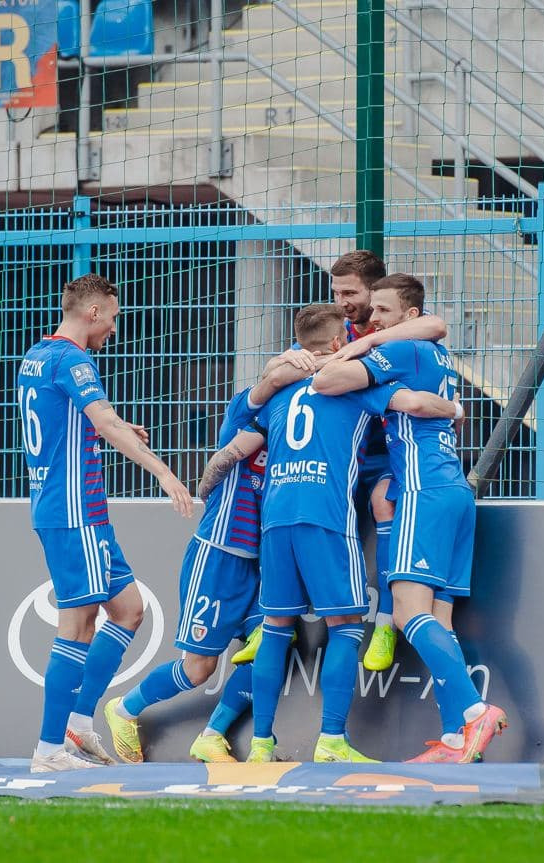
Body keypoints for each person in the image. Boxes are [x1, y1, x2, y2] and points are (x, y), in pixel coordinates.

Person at [204, 304, 458, 763]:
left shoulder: (281, 389)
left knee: (276, 628)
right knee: (345, 628)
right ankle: (332, 742)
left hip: (275, 519)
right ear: (340, 342)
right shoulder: (354, 385)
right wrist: (455, 408)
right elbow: (416, 404)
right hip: (326, 515)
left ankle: (261, 745)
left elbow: (235, 449)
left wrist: (200, 489)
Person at [313, 274, 508, 763]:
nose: (373, 318)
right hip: (454, 490)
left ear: (410, 315)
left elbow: (326, 382)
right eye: (373, 310)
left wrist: (360, 368)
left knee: (407, 613)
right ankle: (455, 737)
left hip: (422, 492)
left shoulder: (403, 350)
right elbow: (423, 389)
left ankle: (474, 712)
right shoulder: (435, 355)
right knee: (439, 618)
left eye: (383, 310)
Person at [100, 349, 317, 764]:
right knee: (198, 669)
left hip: (261, 560)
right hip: (218, 555)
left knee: (273, 644)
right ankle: (124, 709)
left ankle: (213, 734)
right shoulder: (245, 410)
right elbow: (272, 379)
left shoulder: (292, 427)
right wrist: (314, 360)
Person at [18, 273, 194, 773]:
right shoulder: (74, 360)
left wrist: (105, 424)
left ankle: (79, 724)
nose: (113, 328)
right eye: (112, 318)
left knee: (129, 609)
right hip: (73, 510)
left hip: (75, 508)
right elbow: (103, 422)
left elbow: (66, 419)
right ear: (93, 312)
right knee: (77, 624)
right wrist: (163, 472)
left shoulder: (38, 354)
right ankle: (49, 750)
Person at [329, 251, 448, 673]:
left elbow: (436, 325)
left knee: (383, 501)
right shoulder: (334, 327)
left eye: (350, 293)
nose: (342, 302)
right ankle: (270, 620)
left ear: (374, 290)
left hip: (387, 453)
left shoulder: (395, 327)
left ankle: (384, 624)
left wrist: (366, 342)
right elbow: (298, 357)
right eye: (336, 292)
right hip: (341, 450)